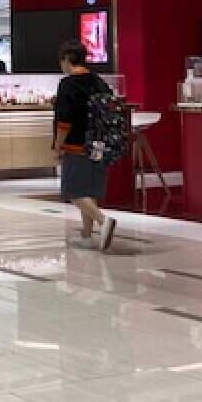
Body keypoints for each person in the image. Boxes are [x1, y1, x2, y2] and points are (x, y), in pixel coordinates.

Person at [53, 40, 117, 251]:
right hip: (98, 143)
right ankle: (87, 235)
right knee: (88, 189)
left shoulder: (68, 84)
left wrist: (57, 146)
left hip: (76, 145)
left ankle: (102, 220)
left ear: (67, 60)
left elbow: (64, 122)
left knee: (72, 190)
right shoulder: (98, 81)